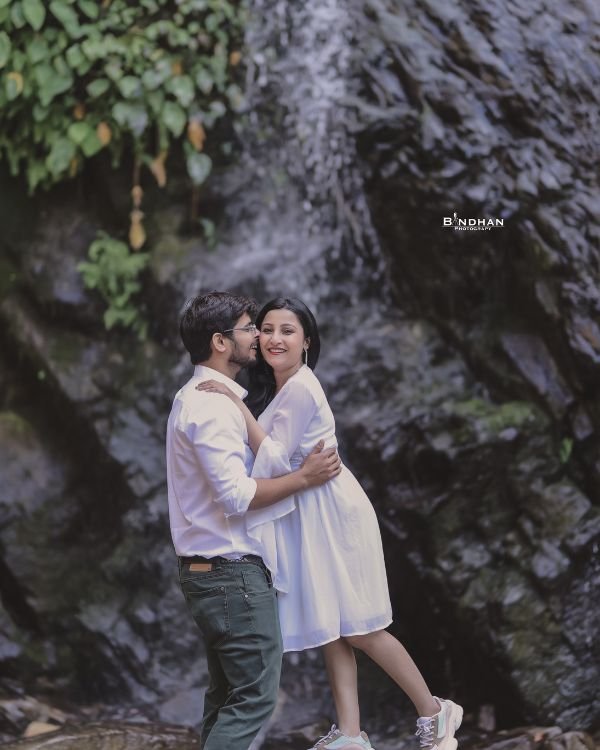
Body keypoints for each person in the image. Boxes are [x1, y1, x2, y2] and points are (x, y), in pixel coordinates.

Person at [196, 297, 463, 750]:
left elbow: (274, 458)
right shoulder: (283, 389)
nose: (274, 338)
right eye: (266, 329)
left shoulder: (301, 387)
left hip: (333, 511)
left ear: (306, 342)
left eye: (287, 331)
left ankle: (435, 712)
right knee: (330, 624)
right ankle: (351, 734)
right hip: (309, 511)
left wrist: (233, 404)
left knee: (359, 626)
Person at [167, 291, 342, 750]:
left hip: (214, 573)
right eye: (249, 328)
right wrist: (303, 478)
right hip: (230, 574)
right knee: (254, 698)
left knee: (228, 696)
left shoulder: (200, 398)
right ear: (220, 342)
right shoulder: (211, 407)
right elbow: (237, 496)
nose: (258, 337)